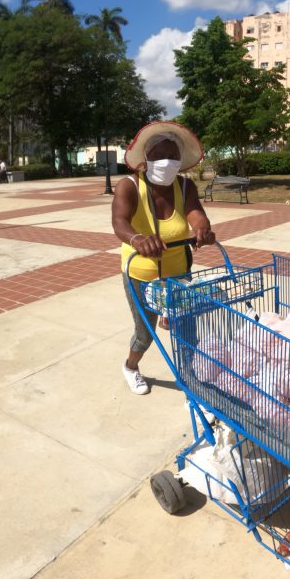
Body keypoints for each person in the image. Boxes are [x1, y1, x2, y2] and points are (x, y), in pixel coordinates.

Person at [112, 121, 215, 395]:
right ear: (145, 159)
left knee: (187, 329)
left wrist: (202, 228)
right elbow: (119, 223)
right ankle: (131, 367)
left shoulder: (184, 187)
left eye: (173, 156)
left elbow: (196, 214)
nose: (166, 162)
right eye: (159, 156)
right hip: (141, 274)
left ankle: (192, 379)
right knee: (146, 332)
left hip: (178, 271)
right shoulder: (129, 186)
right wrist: (137, 239)